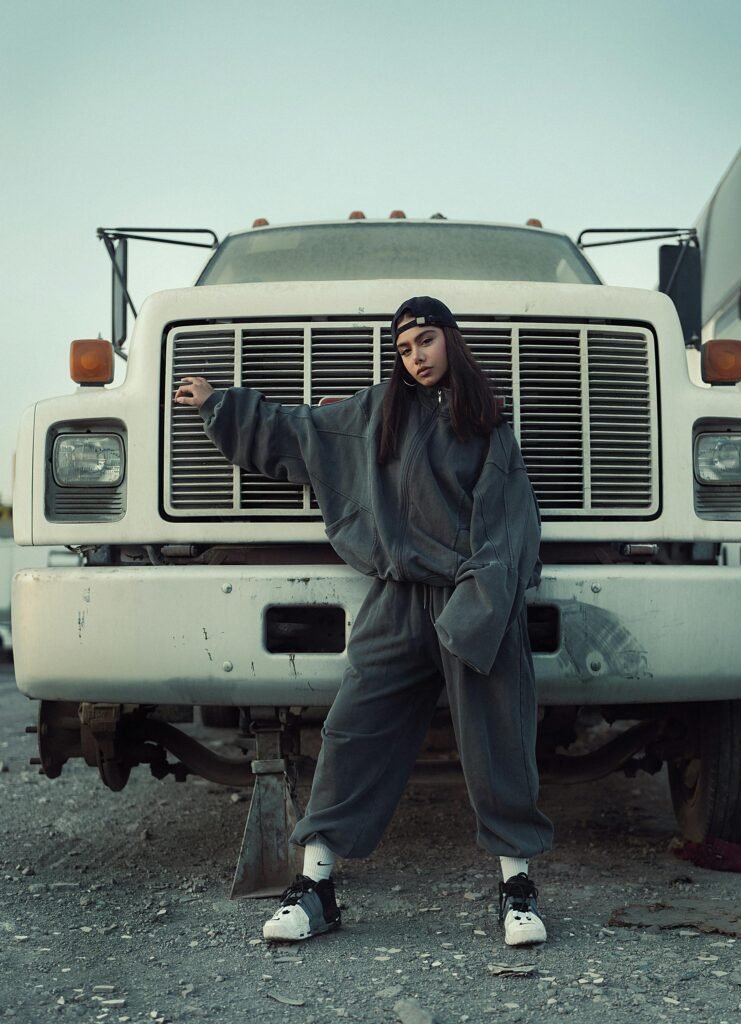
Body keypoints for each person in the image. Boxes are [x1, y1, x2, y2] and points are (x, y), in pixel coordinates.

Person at [174, 296, 553, 947]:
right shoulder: (374, 412)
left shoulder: (488, 426)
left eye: (426, 341)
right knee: (353, 730)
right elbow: (296, 431)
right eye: (405, 349)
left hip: (474, 598)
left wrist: (481, 602)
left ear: (450, 342)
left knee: (498, 740)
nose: (416, 357)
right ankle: (316, 887)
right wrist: (219, 403)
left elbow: (509, 523)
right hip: (395, 601)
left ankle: (516, 889)